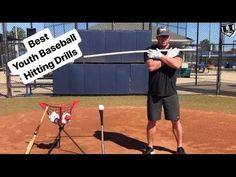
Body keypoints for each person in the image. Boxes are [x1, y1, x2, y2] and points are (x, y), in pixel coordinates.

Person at [143, 26, 185, 154]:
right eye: (161, 36)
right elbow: (151, 67)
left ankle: (180, 147)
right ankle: (150, 147)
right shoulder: (149, 50)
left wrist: (160, 57)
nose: (164, 39)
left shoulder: (177, 51)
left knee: (176, 121)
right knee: (152, 121)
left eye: (166, 36)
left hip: (170, 93)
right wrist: (166, 58)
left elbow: (176, 64)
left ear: (169, 37)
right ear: (157, 37)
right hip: (154, 93)